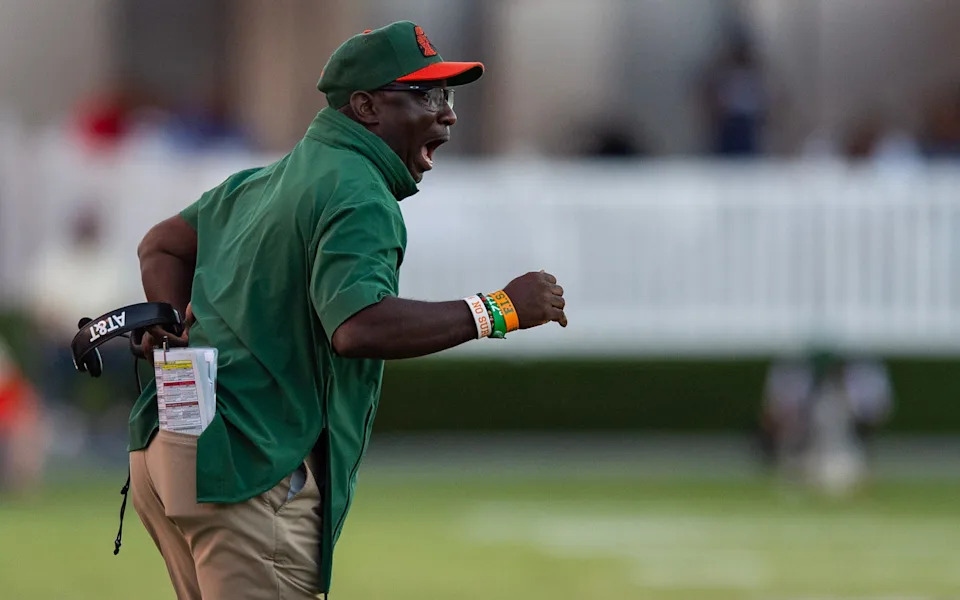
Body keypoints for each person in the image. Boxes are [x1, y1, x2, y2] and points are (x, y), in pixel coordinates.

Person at [128, 21, 567, 599]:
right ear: (365, 107)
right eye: (427, 95)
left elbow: (161, 244)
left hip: (171, 443)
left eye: (449, 96)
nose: (448, 114)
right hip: (250, 462)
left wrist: (164, 318)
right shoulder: (358, 190)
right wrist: (501, 309)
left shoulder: (264, 181)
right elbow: (358, 327)